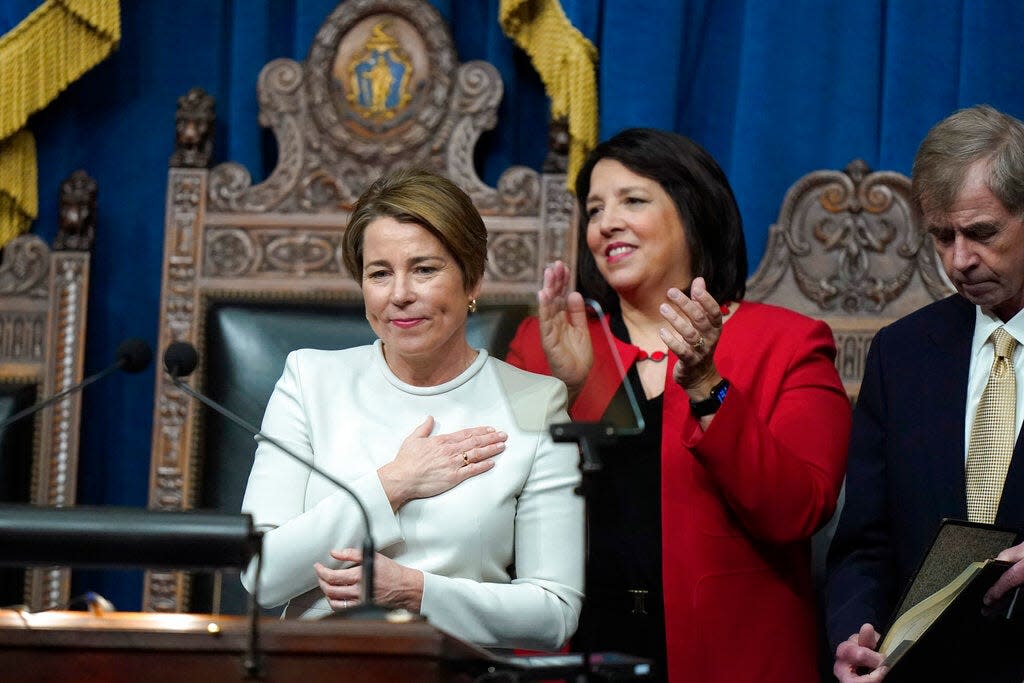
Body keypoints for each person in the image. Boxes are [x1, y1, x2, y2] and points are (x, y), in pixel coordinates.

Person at [506, 128, 850, 681]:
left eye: (632, 201)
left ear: (692, 212)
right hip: (572, 652)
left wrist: (706, 382)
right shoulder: (545, 340)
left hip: (727, 660)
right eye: (594, 209)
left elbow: (798, 511)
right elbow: (501, 509)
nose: (605, 223)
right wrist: (563, 391)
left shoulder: (789, 343)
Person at [240, 168, 584, 650]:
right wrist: (393, 484)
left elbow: (554, 612)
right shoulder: (309, 379)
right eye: (379, 273)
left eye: (424, 269)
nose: (399, 293)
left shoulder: (535, 402)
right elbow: (261, 573)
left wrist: (415, 592)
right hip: (313, 665)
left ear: (473, 279)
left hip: (452, 668)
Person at [826, 104, 1024, 682]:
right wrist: (853, 637)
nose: (959, 260)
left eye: (982, 233)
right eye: (942, 237)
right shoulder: (901, 355)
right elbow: (863, 545)